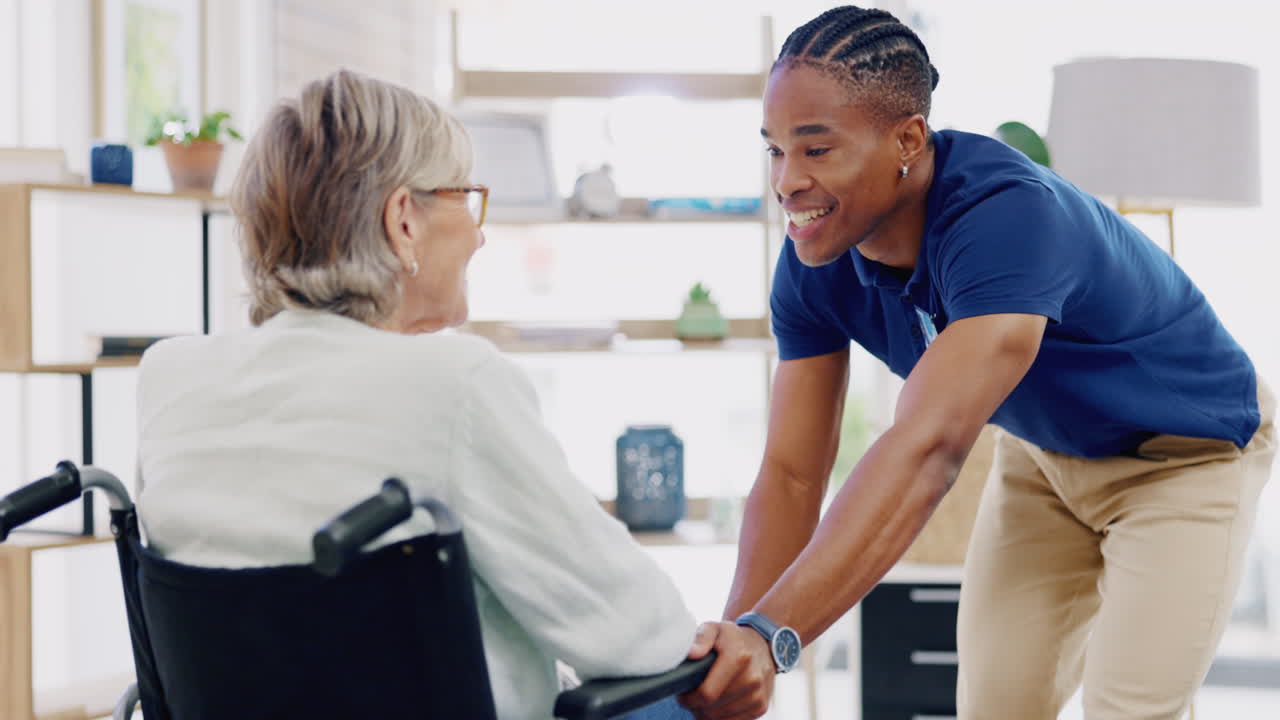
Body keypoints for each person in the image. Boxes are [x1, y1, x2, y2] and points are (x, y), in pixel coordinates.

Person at [680, 6, 1277, 720]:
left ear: (908, 138)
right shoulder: (816, 260)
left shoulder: (1005, 217)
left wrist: (773, 634)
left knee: (1129, 712)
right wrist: (737, 650)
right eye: (775, 150)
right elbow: (791, 471)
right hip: (1046, 459)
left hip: (1185, 458)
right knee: (996, 707)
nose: (787, 183)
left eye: (817, 149)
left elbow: (928, 447)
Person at [134, 69, 699, 720]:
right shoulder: (456, 385)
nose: (481, 234)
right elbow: (635, 633)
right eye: (469, 197)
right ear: (403, 219)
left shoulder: (169, 378)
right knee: (685, 696)